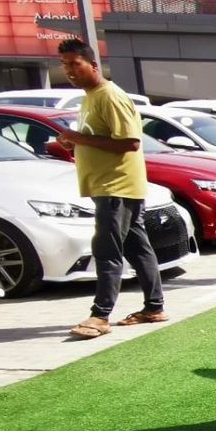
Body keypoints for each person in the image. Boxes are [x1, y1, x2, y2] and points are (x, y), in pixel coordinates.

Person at [56, 38, 167, 339]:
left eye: (74, 64)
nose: (69, 70)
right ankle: (154, 307)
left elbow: (130, 143)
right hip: (110, 186)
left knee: (106, 250)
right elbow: (98, 138)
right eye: (65, 65)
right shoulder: (90, 96)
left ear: (92, 65)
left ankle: (100, 315)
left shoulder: (109, 95)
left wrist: (78, 138)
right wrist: (73, 141)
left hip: (115, 187)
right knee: (136, 247)